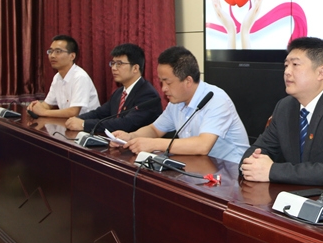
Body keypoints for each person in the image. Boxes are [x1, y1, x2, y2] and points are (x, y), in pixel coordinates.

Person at [239, 37, 323, 186]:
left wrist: (272, 170)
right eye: (286, 65)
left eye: (295, 65)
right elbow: (255, 152)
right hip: (302, 192)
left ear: (320, 73)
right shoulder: (285, 107)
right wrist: (252, 165)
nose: (287, 72)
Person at [112, 46, 249, 163]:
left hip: (232, 172)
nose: (163, 88)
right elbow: (155, 130)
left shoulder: (216, 99)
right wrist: (131, 137)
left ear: (188, 81)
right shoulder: (176, 101)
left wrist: (154, 144)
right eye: (161, 82)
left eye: (168, 82)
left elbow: (202, 145)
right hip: (199, 166)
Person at [64, 43, 162, 133]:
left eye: (119, 64)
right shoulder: (119, 92)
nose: (114, 68)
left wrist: (84, 124)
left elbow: (125, 124)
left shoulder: (148, 95)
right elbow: (99, 113)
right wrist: (77, 119)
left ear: (135, 68)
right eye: (113, 63)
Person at [28, 35, 100, 118]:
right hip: (69, 123)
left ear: (72, 56)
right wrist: (34, 107)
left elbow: (73, 112)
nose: (52, 55)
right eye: (50, 51)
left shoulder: (80, 77)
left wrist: (43, 112)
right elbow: (47, 105)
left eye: (58, 51)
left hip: (87, 124)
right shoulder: (57, 77)